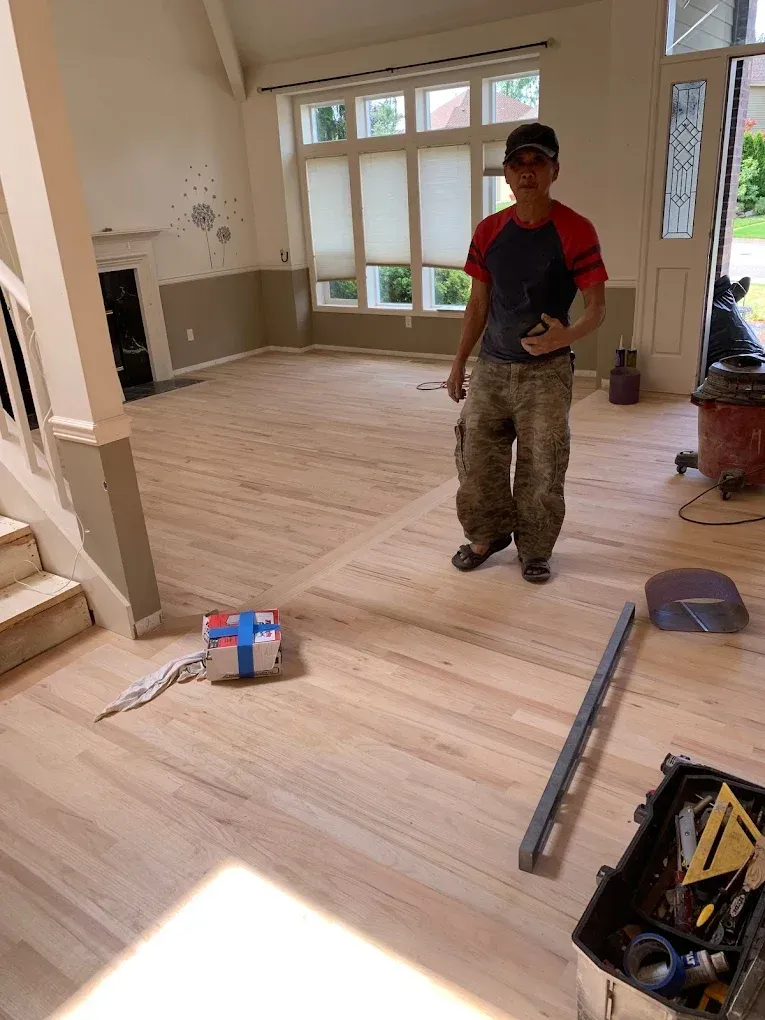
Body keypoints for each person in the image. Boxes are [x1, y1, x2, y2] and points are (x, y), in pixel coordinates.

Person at [447, 123, 607, 583]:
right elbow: (478, 303)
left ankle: (535, 550)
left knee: (543, 465)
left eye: (537, 163)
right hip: (492, 369)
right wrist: (459, 361)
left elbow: (596, 310)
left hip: (546, 375)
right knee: (476, 460)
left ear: (554, 169)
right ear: (507, 174)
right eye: (518, 164)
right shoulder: (490, 230)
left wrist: (564, 337)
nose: (527, 173)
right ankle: (487, 535)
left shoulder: (575, 230)